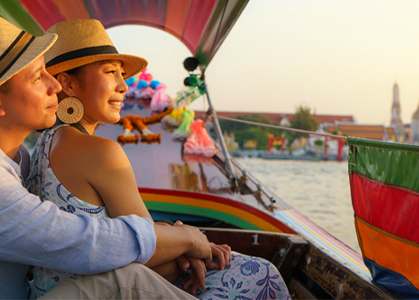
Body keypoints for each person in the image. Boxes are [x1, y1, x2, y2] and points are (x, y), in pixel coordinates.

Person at [28, 18, 291, 300]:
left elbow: (136, 240)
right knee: (262, 273)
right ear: (67, 83)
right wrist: (188, 248)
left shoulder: (44, 145)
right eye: (110, 72)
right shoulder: (99, 151)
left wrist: (177, 238)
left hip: (55, 290)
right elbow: (147, 247)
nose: (123, 85)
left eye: (121, 73)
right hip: (101, 291)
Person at [0, 13, 208, 300]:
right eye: (39, 77)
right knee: (125, 279)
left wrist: (175, 236)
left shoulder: (22, 158)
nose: (55, 86)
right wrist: (187, 237)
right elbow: (82, 243)